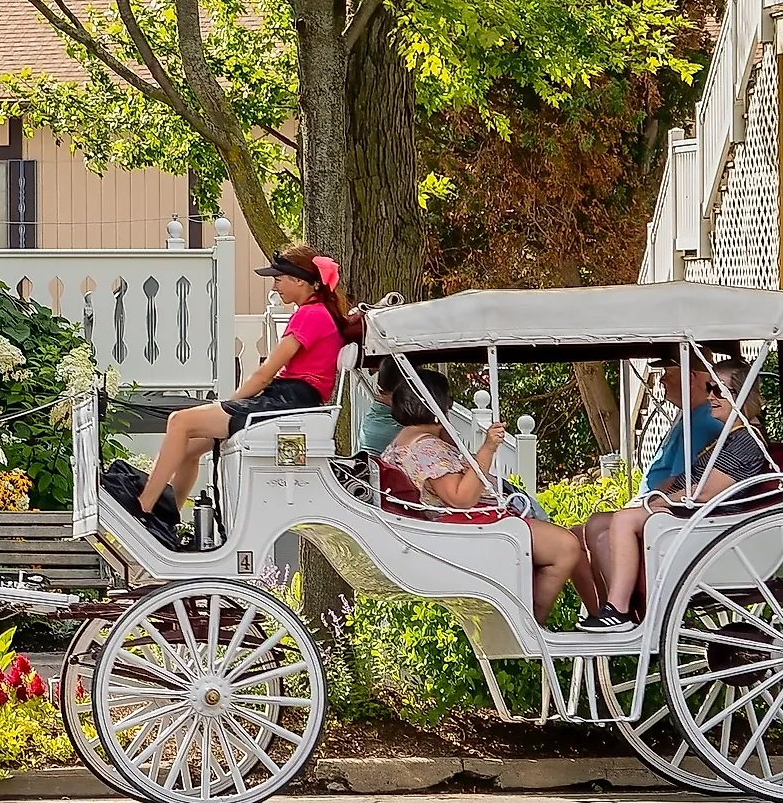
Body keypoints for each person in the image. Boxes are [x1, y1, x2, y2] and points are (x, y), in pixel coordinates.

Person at [122, 242, 361, 526]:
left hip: (286, 402)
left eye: (278, 279)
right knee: (186, 448)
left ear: (300, 280)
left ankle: (145, 506)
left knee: (179, 422)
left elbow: (264, 374)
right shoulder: (317, 313)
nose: (275, 288)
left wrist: (229, 403)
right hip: (290, 400)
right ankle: (168, 516)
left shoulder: (312, 315)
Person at [376, 359, 587, 621]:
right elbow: (461, 498)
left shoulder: (408, 441)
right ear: (437, 407)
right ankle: (533, 623)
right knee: (567, 545)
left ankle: (597, 613)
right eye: (446, 402)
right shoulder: (426, 448)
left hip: (457, 524)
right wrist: (487, 448)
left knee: (579, 537)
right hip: (466, 526)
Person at [580, 356, 781, 630]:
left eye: (718, 390)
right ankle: (618, 609)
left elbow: (706, 493)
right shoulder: (730, 435)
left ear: (741, 394)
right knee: (599, 523)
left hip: (709, 521)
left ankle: (620, 610)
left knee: (625, 520)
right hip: (694, 514)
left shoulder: (746, 439)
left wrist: (663, 500)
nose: (710, 396)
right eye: (709, 388)